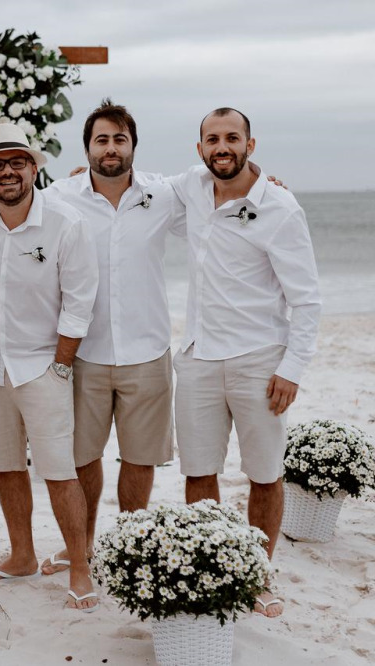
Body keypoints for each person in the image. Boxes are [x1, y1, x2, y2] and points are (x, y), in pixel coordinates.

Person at [172, 108, 321, 618]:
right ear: (200, 149)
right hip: (198, 358)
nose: (222, 147)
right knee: (198, 473)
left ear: (250, 145)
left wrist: (292, 368)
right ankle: (210, 570)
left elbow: (306, 299)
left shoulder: (280, 207)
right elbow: (135, 187)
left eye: (232, 138)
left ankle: (256, 576)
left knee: (264, 473)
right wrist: (82, 179)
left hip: (260, 361)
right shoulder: (192, 188)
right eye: (212, 139)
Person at [38, 100, 184, 575]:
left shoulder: (163, 195)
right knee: (83, 457)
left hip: (148, 350)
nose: (111, 148)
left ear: (133, 146)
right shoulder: (59, 196)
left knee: (140, 458)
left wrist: (263, 179)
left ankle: (130, 547)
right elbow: (3, 213)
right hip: (84, 352)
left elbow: (217, 196)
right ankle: (81, 546)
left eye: (120, 139)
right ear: (87, 148)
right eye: (101, 139)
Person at [0, 124, 100, 612]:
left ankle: (79, 567)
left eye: (17, 162)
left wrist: (61, 363)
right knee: (6, 467)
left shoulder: (65, 223)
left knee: (60, 472)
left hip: (44, 366)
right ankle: (21, 555)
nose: (8, 172)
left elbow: (80, 301)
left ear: (34, 168)